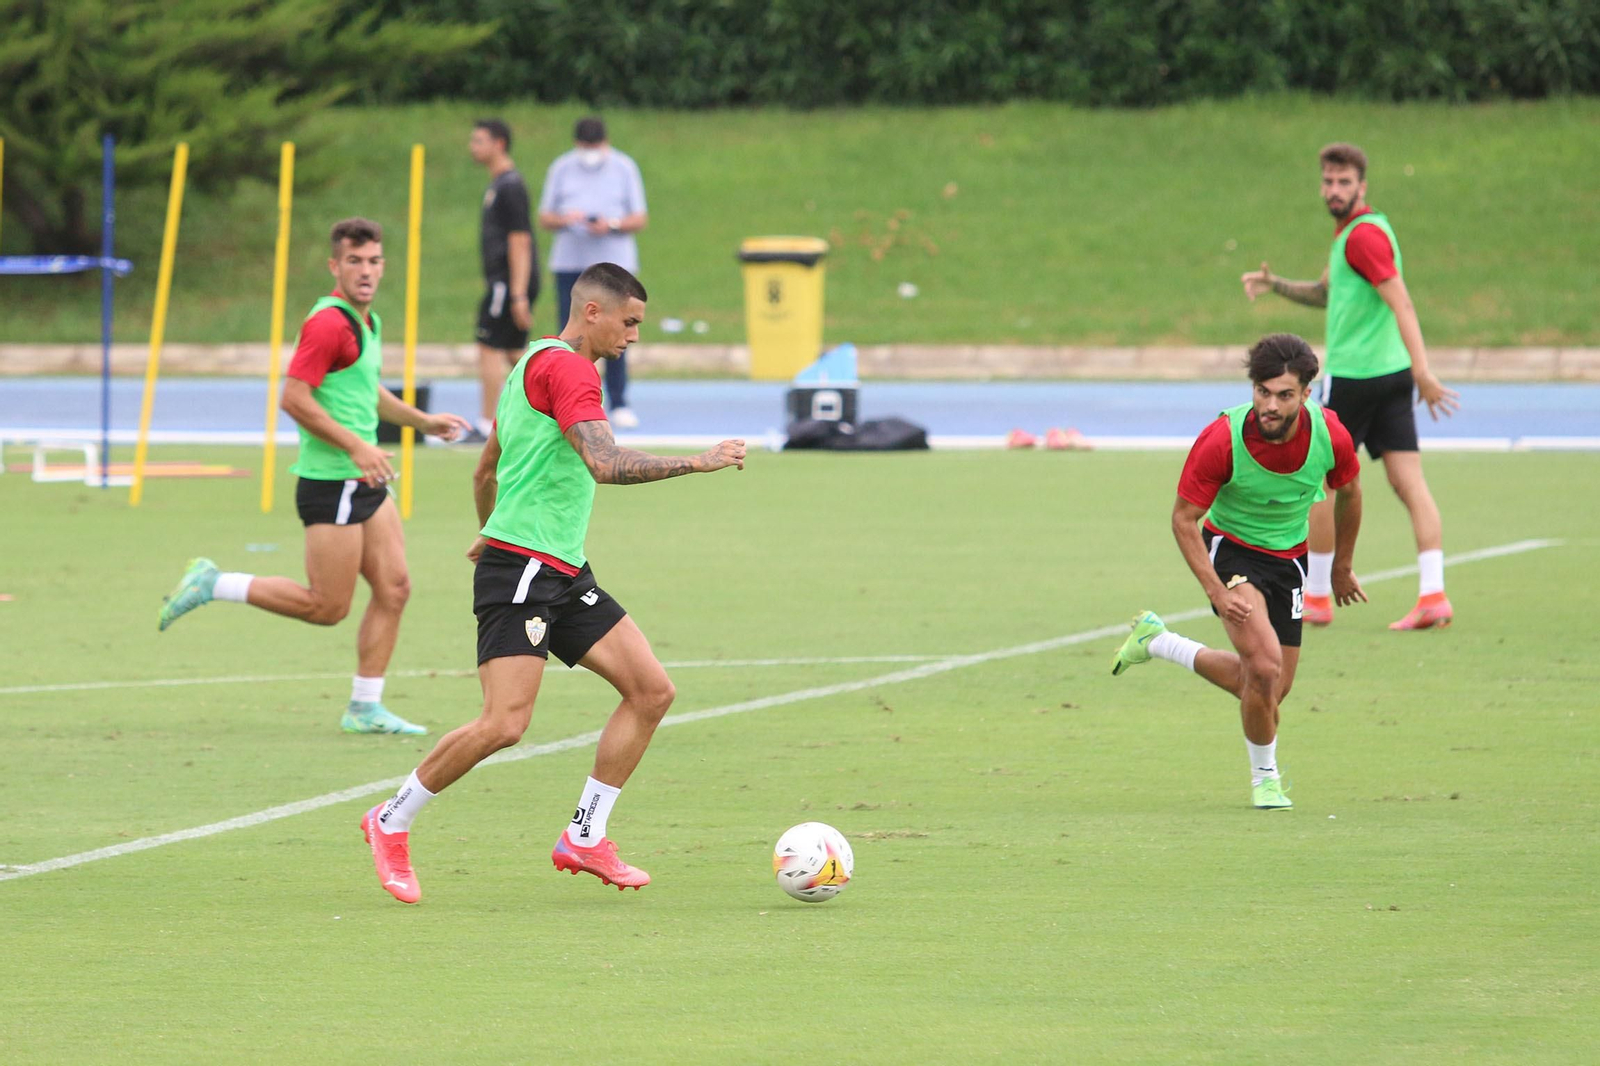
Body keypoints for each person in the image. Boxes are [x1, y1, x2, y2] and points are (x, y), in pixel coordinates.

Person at [360, 263, 745, 904]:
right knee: (504, 723)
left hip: (558, 567)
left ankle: (585, 836)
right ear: (593, 312)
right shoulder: (570, 372)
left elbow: (487, 468)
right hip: (525, 570)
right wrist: (698, 461)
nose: (634, 337)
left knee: (651, 691)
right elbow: (605, 463)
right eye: (629, 323)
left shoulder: (529, 364)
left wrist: (491, 528)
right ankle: (390, 819)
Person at [157, 218, 473, 735]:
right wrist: (356, 446)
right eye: (354, 261)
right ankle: (215, 582)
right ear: (335, 266)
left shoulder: (366, 322)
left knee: (394, 588)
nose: (366, 271)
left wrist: (421, 421)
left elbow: (365, 390)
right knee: (326, 606)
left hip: (365, 478)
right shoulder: (328, 324)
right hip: (333, 481)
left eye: (373, 261)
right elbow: (294, 398)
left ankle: (364, 708)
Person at [1110, 334, 1366, 810]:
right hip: (1232, 552)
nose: (1270, 405)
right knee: (1264, 669)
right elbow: (1183, 519)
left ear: (1306, 394)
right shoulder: (1221, 439)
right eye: (1262, 392)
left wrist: (1341, 567)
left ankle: (1159, 642)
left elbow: (1350, 492)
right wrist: (1215, 589)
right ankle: (1266, 780)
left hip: (1290, 560)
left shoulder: (1330, 435)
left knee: (1270, 689)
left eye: (1284, 395)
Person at [1241, 142, 1460, 631]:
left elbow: (1402, 303)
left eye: (1344, 182)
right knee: (1408, 482)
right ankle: (1433, 594)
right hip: (1390, 375)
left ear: (1362, 186)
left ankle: (1317, 595)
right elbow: (1327, 293)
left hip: (1356, 378)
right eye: (1328, 181)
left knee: (1319, 483)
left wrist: (1424, 371)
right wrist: (1276, 284)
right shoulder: (1360, 232)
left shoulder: (1361, 238)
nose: (1334, 190)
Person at [537, 116, 648, 429]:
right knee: (571, 334)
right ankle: (568, 399)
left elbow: (639, 218)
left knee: (619, 330)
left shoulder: (624, 167)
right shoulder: (562, 167)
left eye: (594, 145)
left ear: (605, 142)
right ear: (577, 144)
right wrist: (566, 219)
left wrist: (611, 224)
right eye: (585, 146)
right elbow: (545, 217)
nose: (590, 152)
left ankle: (619, 401)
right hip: (571, 263)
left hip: (614, 267)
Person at [466, 118, 538, 443]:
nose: (473, 147)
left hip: (507, 283)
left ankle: (486, 424)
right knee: (512, 351)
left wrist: (518, 294)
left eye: (479, 141)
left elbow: (520, 239)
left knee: (489, 346)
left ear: (499, 144)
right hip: (504, 283)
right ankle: (554, 406)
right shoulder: (498, 184)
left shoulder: (511, 186)